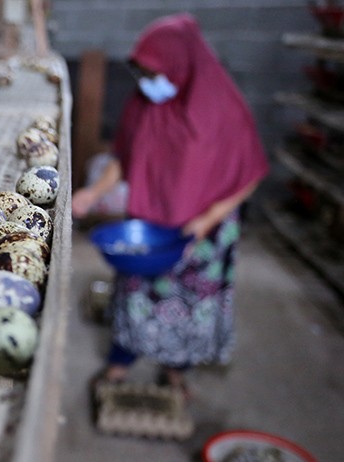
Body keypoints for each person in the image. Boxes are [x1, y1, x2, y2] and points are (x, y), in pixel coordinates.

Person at [72, 13, 270, 396]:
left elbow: (250, 173)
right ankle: (120, 362)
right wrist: (93, 193)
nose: (149, 83)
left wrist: (206, 219)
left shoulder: (222, 109)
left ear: (182, 64)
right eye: (143, 73)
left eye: (155, 73)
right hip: (152, 222)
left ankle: (177, 369)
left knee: (192, 303)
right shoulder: (144, 104)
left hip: (204, 230)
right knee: (137, 293)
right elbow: (123, 159)